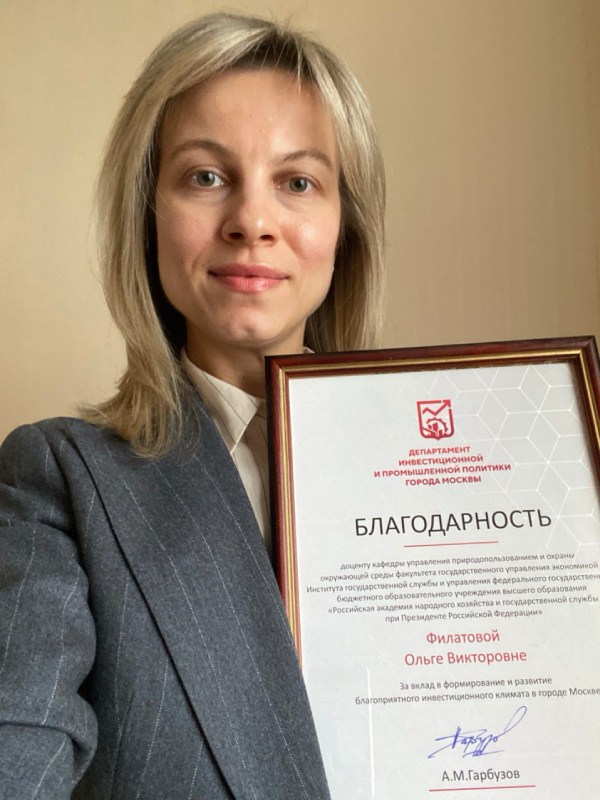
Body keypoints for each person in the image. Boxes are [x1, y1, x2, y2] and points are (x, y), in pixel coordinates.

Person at [0, 12, 385, 799]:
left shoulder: (478, 465)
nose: (251, 222)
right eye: (206, 177)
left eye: (297, 182)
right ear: (147, 213)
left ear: (345, 226)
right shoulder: (60, 481)